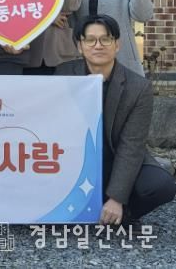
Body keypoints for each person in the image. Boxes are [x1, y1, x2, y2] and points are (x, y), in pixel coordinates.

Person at [56, 14, 175, 225]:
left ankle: (117, 215)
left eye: (106, 39)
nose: (98, 45)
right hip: (74, 159)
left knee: (160, 185)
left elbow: (132, 144)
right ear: (80, 46)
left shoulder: (138, 87)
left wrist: (117, 198)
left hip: (116, 156)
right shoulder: (63, 76)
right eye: (90, 40)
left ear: (117, 45)